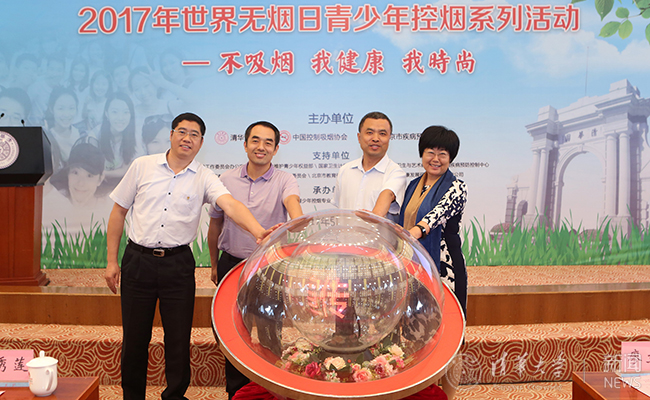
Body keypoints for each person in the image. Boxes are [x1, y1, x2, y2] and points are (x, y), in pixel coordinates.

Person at [105, 112, 276, 400]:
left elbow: (230, 205)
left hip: (178, 266)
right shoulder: (142, 166)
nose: (187, 138)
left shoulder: (204, 177)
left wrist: (259, 231)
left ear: (201, 142)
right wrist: (112, 261)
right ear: (171, 135)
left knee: (178, 338)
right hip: (137, 261)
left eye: (194, 135)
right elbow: (119, 211)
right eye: (182, 132)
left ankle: (174, 396)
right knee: (134, 337)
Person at [207, 121, 303, 400]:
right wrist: (214, 264)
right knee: (234, 331)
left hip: (269, 268)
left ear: (276, 149)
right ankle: (236, 391)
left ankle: (270, 390)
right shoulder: (226, 179)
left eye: (268, 142)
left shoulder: (285, 179)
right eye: (256, 141)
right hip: (232, 264)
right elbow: (215, 225)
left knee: (270, 329)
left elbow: (293, 204)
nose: (261, 147)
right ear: (245, 144)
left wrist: (298, 220)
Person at [398, 125, 467, 400]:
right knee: (415, 328)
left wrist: (414, 232)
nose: (436, 159)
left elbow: (435, 216)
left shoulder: (456, 187)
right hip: (415, 266)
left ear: (451, 158)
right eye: (430, 152)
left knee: (448, 336)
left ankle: (448, 395)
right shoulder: (413, 185)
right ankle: (422, 391)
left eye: (443, 154)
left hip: (444, 267)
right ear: (422, 153)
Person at [332, 111, 406, 221]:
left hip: (377, 233)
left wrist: (374, 216)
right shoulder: (345, 170)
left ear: (389, 138)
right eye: (370, 132)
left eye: (382, 134)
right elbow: (340, 210)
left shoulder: (396, 173)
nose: (375, 138)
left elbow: (387, 195)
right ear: (359, 137)